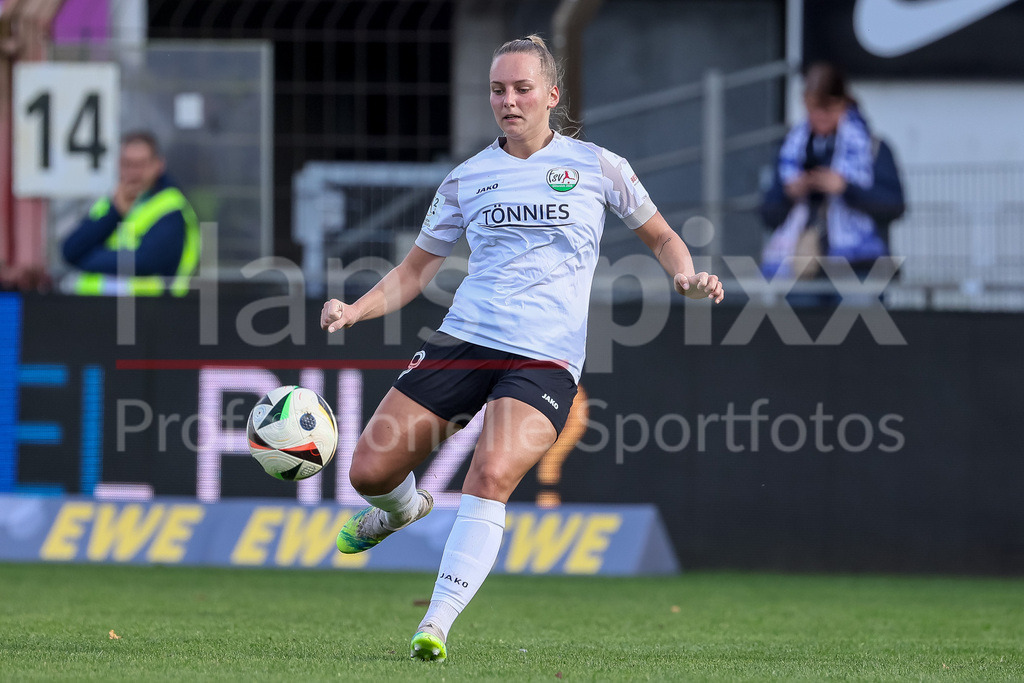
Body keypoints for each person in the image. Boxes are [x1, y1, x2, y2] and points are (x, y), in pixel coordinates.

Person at [320, 35, 724, 662]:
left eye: (522, 88)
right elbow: (412, 273)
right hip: (465, 339)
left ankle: (436, 623)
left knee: (489, 475)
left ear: (552, 95)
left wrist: (685, 275)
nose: (508, 100)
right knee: (369, 472)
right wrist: (354, 309)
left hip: (546, 357)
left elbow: (663, 236)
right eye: (498, 90)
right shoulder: (468, 178)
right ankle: (403, 509)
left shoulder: (598, 166)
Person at [759, 62, 905, 284]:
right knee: (802, 316)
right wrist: (791, 192)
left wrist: (845, 188)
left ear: (843, 104)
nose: (820, 115)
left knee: (858, 317)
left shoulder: (872, 148)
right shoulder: (791, 149)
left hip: (861, 268)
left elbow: (895, 206)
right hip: (803, 267)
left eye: (828, 106)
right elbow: (768, 215)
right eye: (813, 106)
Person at [61, 131, 200, 296]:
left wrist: (84, 258)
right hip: (96, 310)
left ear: (159, 165)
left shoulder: (171, 207)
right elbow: (70, 250)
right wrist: (115, 213)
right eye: (127, 164)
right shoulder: (110, 204)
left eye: (141, 164)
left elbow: (145, 262)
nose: (134, 172)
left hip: (149, 312)